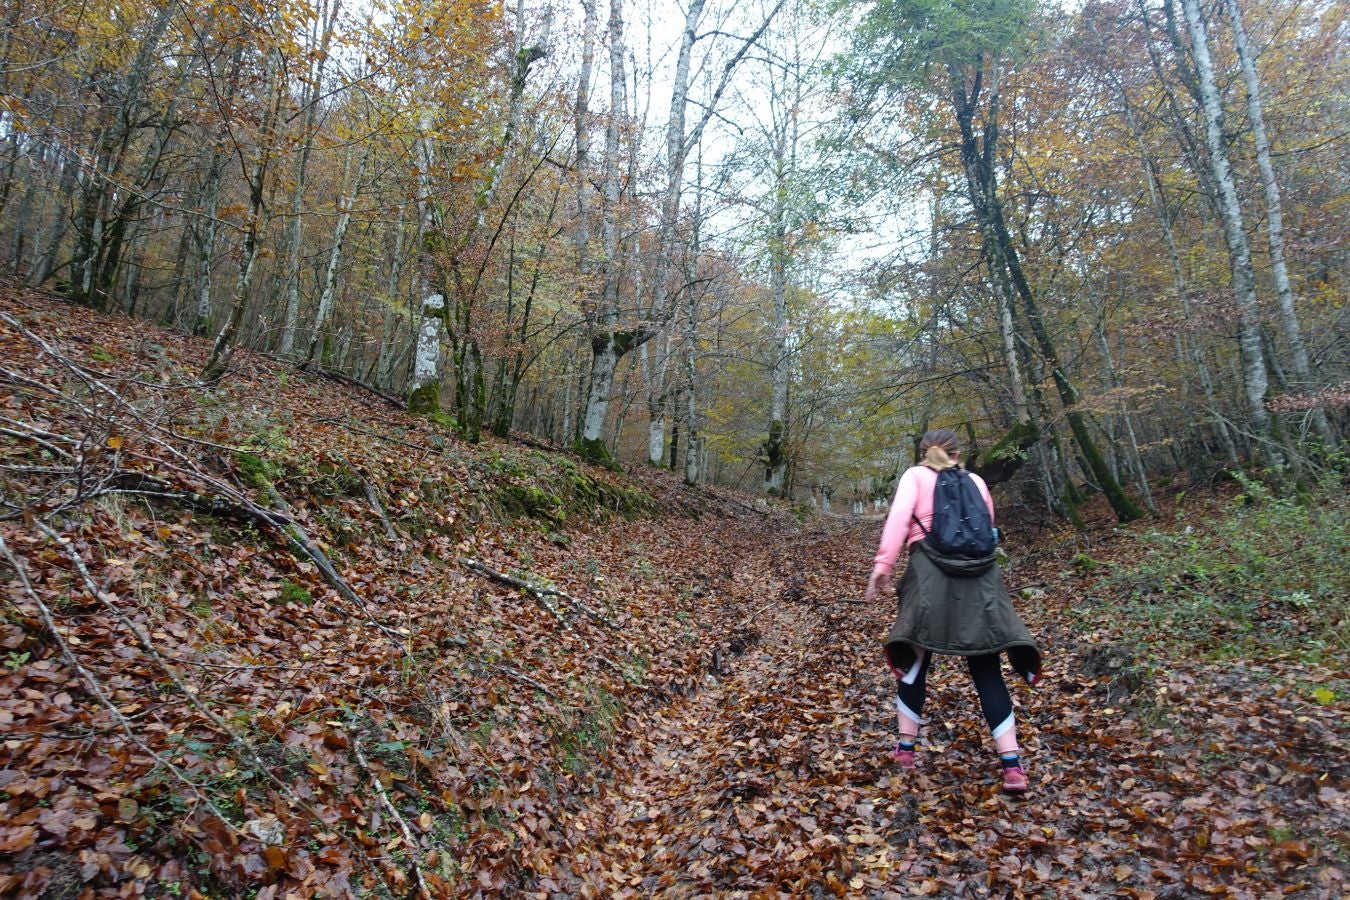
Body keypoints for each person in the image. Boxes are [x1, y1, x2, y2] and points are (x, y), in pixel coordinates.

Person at [865, 429, 1041, 794]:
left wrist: (883, 566)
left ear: (921, 453)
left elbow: (898, 518)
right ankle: (1012, 766)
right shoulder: (976, 481)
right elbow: (987, 532)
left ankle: (906, 751)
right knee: (986, 667)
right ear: (959, 454)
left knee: (915, 660)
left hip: (929, 575)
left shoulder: (915, 476)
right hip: (980, 581)